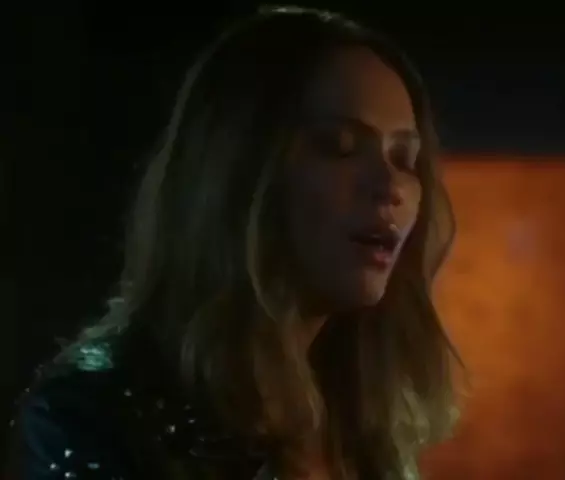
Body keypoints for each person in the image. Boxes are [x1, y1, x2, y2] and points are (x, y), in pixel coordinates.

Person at [5, 6, 459, 479]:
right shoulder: (94, 417)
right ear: (238, 170)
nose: (390, 186)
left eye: (404, 157)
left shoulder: (366, 425)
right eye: (339, 146)